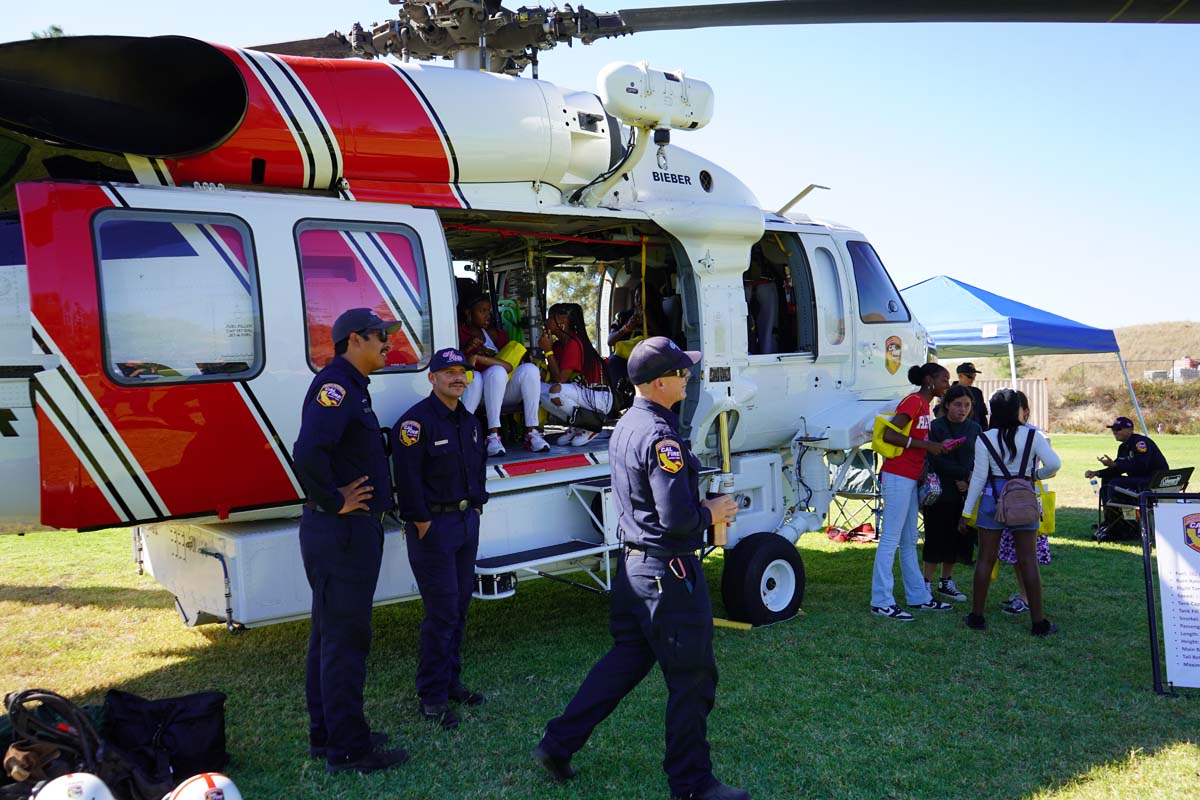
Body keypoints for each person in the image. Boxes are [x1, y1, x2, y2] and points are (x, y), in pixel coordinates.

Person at [532, 336, 747, 800]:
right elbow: (677, 518)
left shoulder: (628, 423)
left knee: (625, 662)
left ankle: (557, 743)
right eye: (682, 372)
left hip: (634, 568)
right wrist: (712, 511)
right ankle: (691, 783)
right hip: (667, 572)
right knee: (692, 678)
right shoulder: (660, 435)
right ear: (659, 382)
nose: (688, 378)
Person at [292, 307, 408, 774]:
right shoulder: (336, 386)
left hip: (341, 533)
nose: (388, 344)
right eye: (381, 337)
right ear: (355, 339)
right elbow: (306, 451)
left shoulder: (351, 387)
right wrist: (332, 498)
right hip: (342, 532)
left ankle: (329, 735)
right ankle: (348, 750)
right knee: (345, 641)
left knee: (328, 636)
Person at [391, 348, 489, 730]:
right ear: (432, 378)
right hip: (433, 529)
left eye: (461, 372)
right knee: (442, 612)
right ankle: (431, 696)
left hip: (466, 523)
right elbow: (407, 477)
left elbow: (477, 467)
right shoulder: (415, 423)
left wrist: (478, 507)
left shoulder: (469, 421)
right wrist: (421, 521)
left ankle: (450, 683)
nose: (457, 378)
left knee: (460, 607)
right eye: (447, 372)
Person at [960, 389, 1062, 635]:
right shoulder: (1033, 436)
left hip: (991, 502)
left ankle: (977, 616)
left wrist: (965, 512)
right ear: (1018, 409)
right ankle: (1038, 622)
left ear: (993, 412)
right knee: (1028, 561)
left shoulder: (985, 438)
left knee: (985, 558)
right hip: (1024, 501)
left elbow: (979, 479)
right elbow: (1054, 465)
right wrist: (1033, 476)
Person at [870, 363, 954, 621]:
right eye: (943, 380)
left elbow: (914, 443)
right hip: (897, 476)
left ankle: (919, 597)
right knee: (890, 540)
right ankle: (881, 601)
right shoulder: (915, 401)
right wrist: (927, 445)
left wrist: (932, 447)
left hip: (908, 477)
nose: (946, 385)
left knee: (908, 541)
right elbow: (890, 435)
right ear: (929, 380)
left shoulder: (924, 406)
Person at [458, 292, 548, 456]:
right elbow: (456, 362)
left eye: (488, 311)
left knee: (530, 370)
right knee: (497, 370)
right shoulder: (460, 332)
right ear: (468, 313)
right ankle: (493, 436)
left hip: (502, 391)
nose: (487, 315)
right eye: (482, 311)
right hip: (478, 392)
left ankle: (533, 432)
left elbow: (511, 364)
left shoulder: (496, 334)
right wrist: (467, 350)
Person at [922, 384, 982, 602]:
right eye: (957, 404)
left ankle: (946, 581)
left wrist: (968, 480)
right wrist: (961, 475)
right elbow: (933, 459)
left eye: (967, 405)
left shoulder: (974, 429)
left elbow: (979, 459)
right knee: (935, 537)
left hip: (964, 493)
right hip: (939, 491)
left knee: (957, 537)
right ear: (947, 405)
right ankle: (925, 583)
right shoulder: (935, 427)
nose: (962, 409)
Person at [997, 391, 1052, 616]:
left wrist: (1034, 475)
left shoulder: (1034, 434)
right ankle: (1024, 593)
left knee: (1026, 556)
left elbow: (1053, 465)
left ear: (1025, 411)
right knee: (1017, 555)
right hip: (1014, 501)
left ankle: (1027, 597)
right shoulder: (1002, 433)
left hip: (1024, 502)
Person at [538, 302, 612, 446]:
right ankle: (577, 423)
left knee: (556, 392)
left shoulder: (574, 343)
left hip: (598, 397)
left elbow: (560, 380)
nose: (546, 322)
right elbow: (555, 376)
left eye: (550, 318)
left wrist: (548, 351)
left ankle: (591, 424)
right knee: (536, 390)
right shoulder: (559, 345)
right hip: (583, 394)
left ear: (562, 320)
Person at [1084, 416, 1169, 540]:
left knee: (1113, 484)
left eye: (1118, 429)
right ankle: (1111, 522)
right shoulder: (1123, 447)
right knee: (1108, 481)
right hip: (1140, 481)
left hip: (1152, 482)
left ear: (1130, 430)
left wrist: (1115, 465)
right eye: (1113, 429)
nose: (1115, 432)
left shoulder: (1140, 443)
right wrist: (1097, 473)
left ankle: (1122, 528)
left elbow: (1141, 467)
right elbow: (1118, 468)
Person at [953, 363, 988, 429]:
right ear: (960, 376)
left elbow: (982, 415)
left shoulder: (977, 393)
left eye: (974, 375)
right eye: (970, 376)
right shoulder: (947, 392)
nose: (973, 379)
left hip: (975, 432)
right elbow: (939, 413)